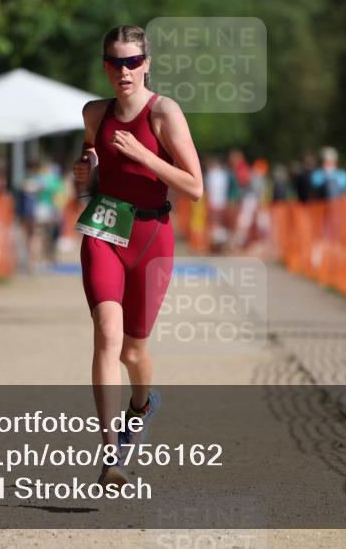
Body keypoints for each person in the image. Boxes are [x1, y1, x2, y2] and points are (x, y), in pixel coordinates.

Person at [72, 25, 203, 486]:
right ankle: (112, 453)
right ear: (105, 66)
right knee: (107, 337)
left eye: (132, 62)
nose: (123, 71)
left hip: (152, 235)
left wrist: (145, 157)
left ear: (146, 64)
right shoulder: (94, 113)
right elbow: (88, 169)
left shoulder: (163, 113)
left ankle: (142, 404)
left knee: (133, 350)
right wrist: (84, 171)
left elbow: (195, 187)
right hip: (105, 229)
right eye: (114, 62)